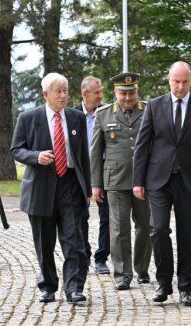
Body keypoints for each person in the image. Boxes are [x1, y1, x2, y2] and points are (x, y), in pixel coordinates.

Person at [132, 61, 191, 307]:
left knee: (187, 235)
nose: (180, 87)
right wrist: (137, 180)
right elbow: (142, 145)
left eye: (184, 82)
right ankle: (163, 283)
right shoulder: (155, 106)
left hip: (188, 180)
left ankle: (185, 287)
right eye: (175, 81)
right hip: (158, 179)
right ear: (168, 80)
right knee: (158, 230)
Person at [11, 73, 91, 304]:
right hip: (40, 189)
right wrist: (36, 156)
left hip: (70, 186)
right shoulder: (28, 118)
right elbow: (16, 149)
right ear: (46, 94)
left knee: (74, 241)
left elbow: (83, 155)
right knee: (45, 244)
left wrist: (86, 190)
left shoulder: (76, 118)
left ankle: (74, 288)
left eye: (66, 90)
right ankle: (48, 286)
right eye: (58, 91)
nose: (63, 95)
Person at [90, 72, 152, 290]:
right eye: (123, 93)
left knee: (145, 226)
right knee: (118, 229)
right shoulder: (103, 114)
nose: (128, 97)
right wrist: (96, 184)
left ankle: (142, 268)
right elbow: (96, 152)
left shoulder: (149, 110)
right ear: (115, 93)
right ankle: (123, 274)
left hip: (144, 180)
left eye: (132, 92)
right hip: (115, 180)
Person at [75, 76, 111, 275]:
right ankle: (85, 254)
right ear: (85, 93)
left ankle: (101, 258)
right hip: (80, 171)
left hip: (105, 170)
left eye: (101, 92)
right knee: (81, 215)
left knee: (107, 216)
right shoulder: (72, 114)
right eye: (97, 92)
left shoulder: (106, 113)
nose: (100, 96)